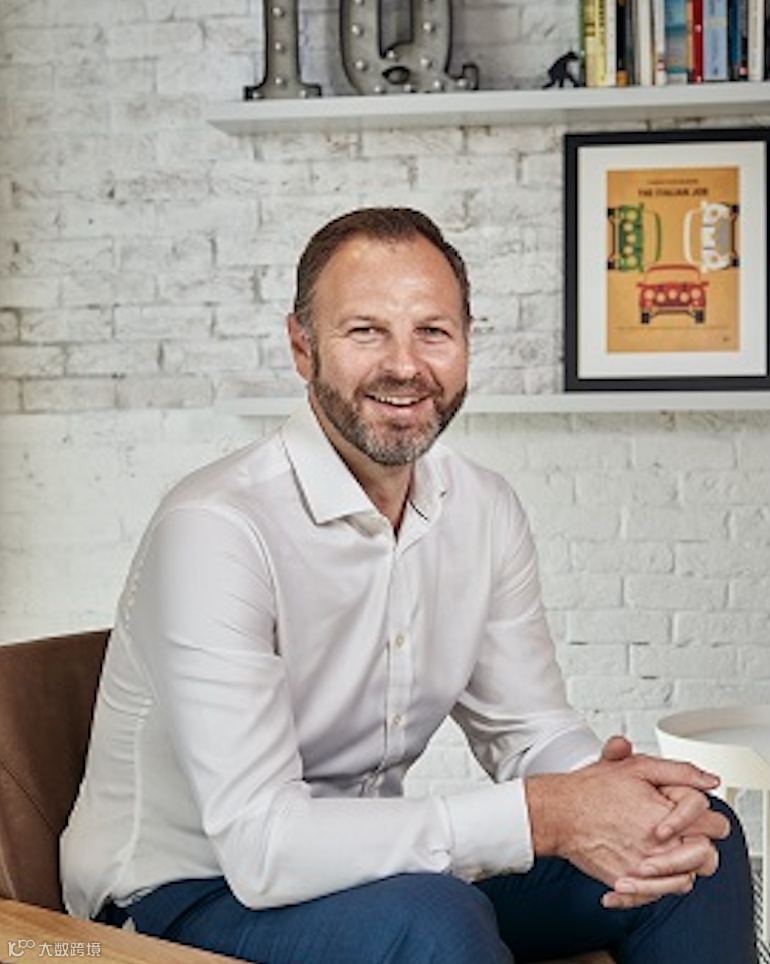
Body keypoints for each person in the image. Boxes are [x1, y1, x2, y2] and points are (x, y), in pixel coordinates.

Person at [61, 207, 757, 963]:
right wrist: (544, 816)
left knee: (697, 843)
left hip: (382, 874)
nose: (405, 365)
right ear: (302, 347)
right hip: (188, 894)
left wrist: (613, 797)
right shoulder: (216, 528)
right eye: (365, 331)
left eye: (433, 331)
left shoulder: (482, 507)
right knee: (431, 918)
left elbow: (529, 730)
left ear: (467, 343)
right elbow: (263, 847)